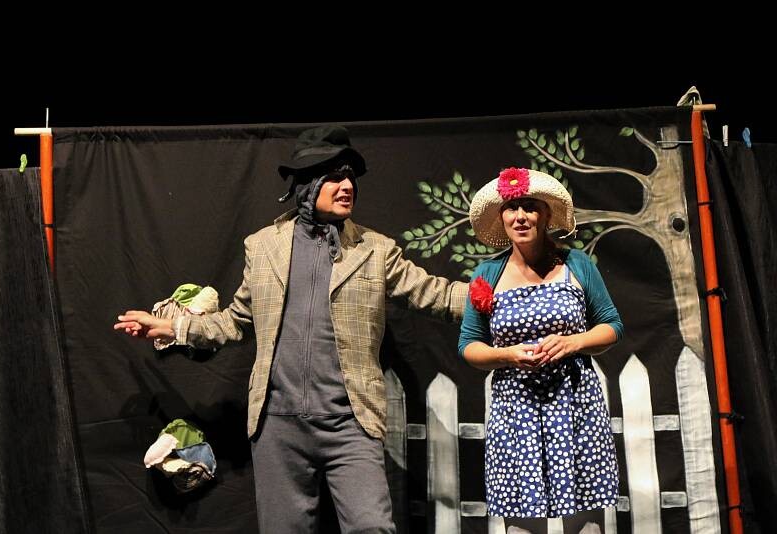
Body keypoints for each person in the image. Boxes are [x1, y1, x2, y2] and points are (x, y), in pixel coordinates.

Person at [115, 125, 467, 533]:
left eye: (350, 177)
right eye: (335, 176)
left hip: (349, 423)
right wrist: (173, 326)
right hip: (278, 426)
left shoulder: (375, 249)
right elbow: (235, 321)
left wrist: (500, 297)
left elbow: (434, 293)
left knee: (371, 527)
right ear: (308, 184)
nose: (347, 186)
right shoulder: (265, 246)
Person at [458, 167, 622, 527]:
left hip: (574, 404)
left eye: (530, 207)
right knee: (522, 519)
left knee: (585, 518)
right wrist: (506, 355)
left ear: (546, 215)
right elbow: (469, 345)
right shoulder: (487, 274)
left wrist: (574, 342)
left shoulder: (576, 264)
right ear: (501, 217)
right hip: (516, 410)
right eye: (511, 208)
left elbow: (612, 326)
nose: (520, 216)